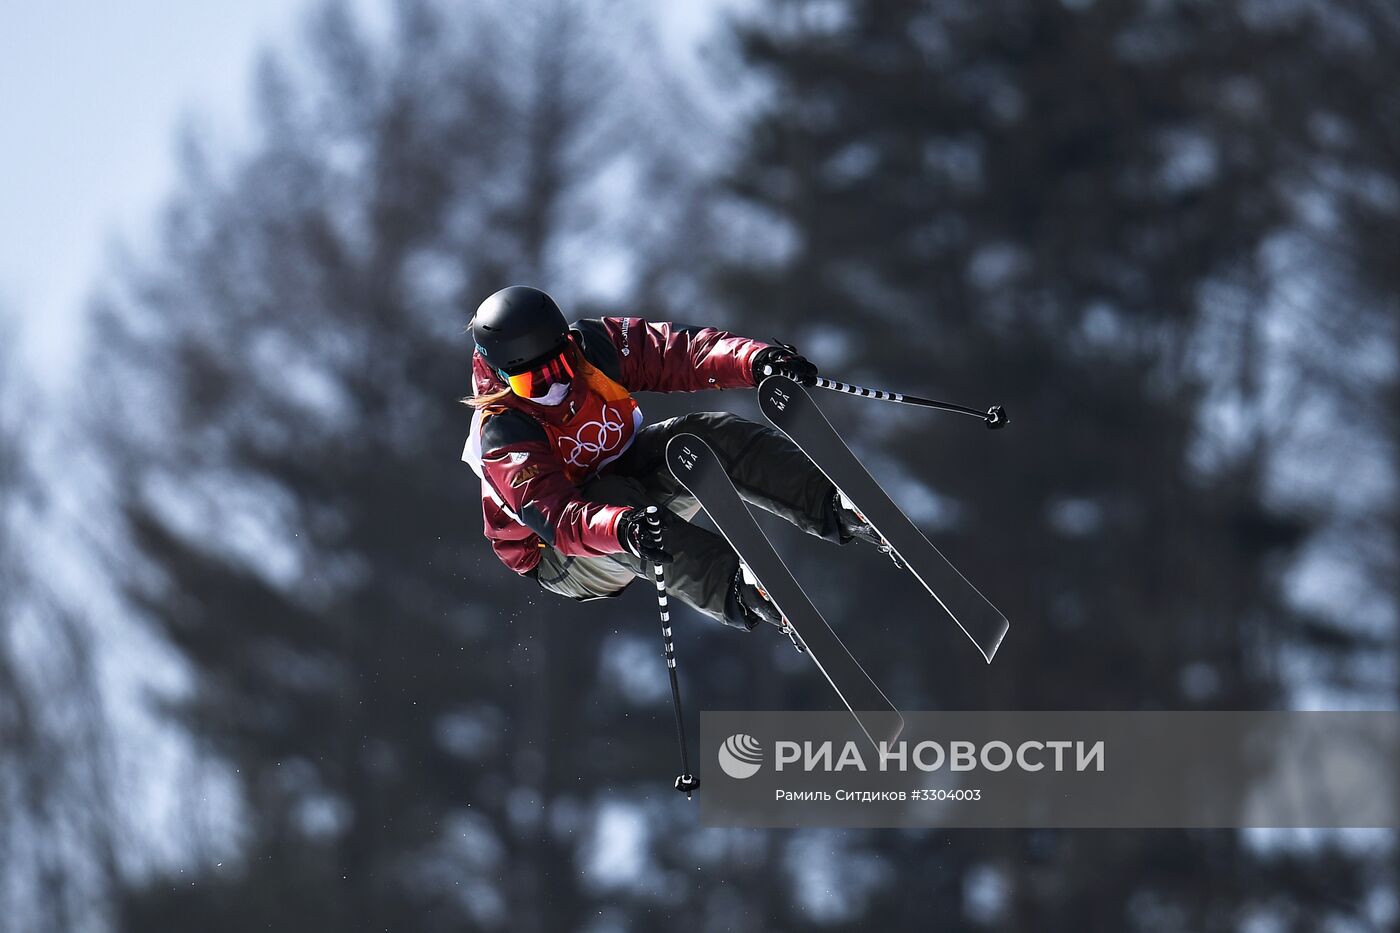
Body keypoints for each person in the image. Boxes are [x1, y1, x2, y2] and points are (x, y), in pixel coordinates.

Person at [461, 285, 884, 630]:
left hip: (629, 492)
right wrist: (621, 527)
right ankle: (740, 591)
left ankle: (836, 507)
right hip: (567, 555)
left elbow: (679, 352)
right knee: (611, 495)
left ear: (566, 344)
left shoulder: (593, 348)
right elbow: (558, 518)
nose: (554, 384)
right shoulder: (502, 432)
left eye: (560, 368)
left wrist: (757, 360)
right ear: (499, 374)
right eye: (532, 380)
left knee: (697, 438)